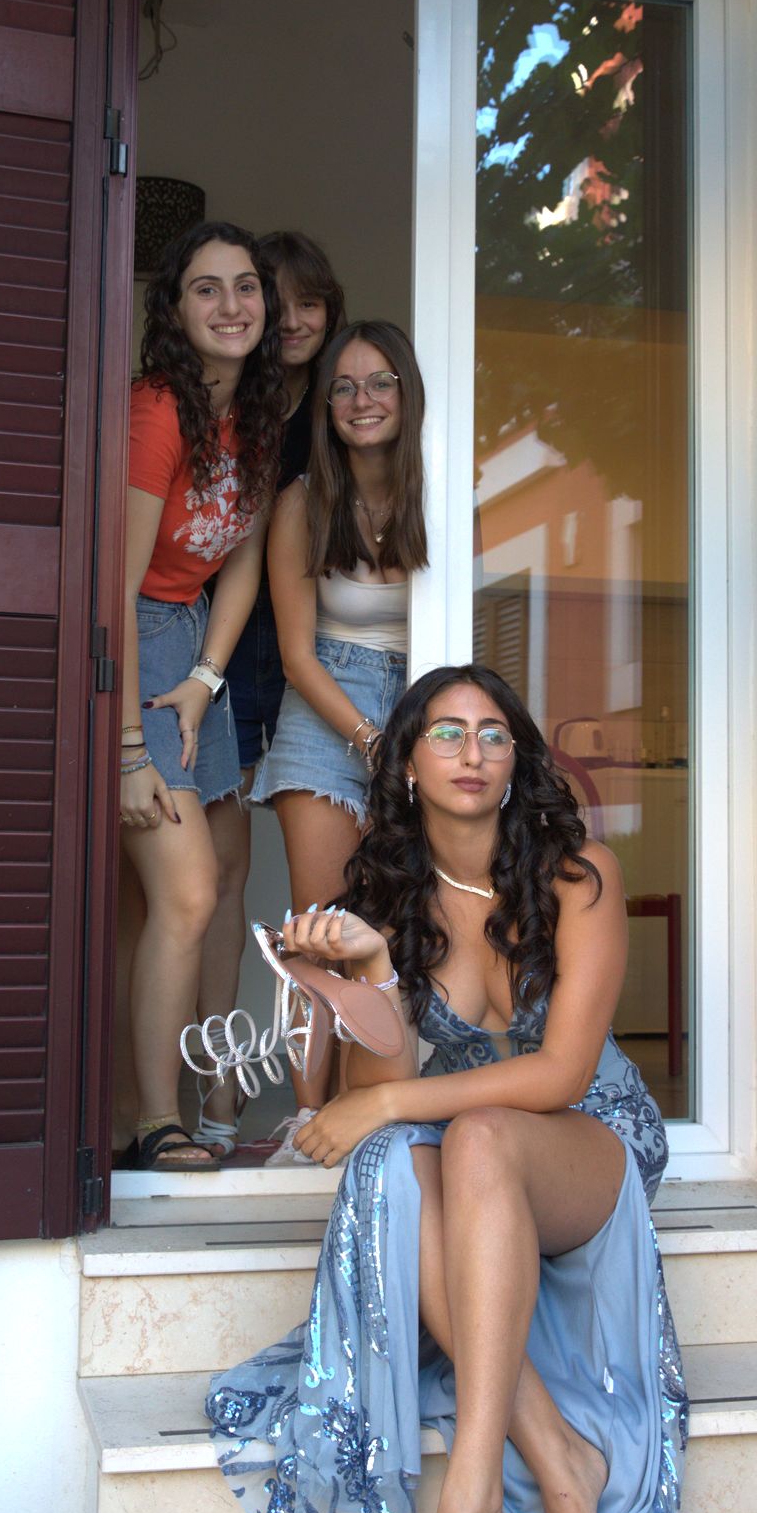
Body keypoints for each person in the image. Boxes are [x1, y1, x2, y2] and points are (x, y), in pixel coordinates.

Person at [207, 666, 687, 1513]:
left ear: (516, 763)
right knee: (398, 1162)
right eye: (448, 734)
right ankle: (558, 1458)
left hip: (590, 1136)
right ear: (407, 764)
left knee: (470, 1136)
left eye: (493, 735)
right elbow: (371, 1090)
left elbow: (562, 1075)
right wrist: (372, 972)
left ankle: (471, 1491)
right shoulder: (385, 903)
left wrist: (391, 1107)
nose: (473, 753)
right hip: (474, 1140)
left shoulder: (581, 878)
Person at [116, 220, 283, 1172]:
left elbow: (244, 561)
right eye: (207, 288)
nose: (231, 305)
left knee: (200, 886)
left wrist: (206, 677)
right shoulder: (158, 411)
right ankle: (155, 1120)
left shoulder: (255, 417)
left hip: (192, 644)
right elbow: (114, 586)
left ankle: (137, 1106)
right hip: (133, 634)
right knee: (182, 891)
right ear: (175, 310)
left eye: (246, 286)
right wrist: (125, 749)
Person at [245, 319, 427, 1165]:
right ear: (325, 406)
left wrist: (415, 738)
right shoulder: (301, 503)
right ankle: (308, 1119)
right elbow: (295, 654)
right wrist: (368, 740)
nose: (362, 400)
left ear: (407, 394)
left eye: (380, 382)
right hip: (326, 711)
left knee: (393, 926)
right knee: (317, 934)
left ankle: (372, 1108)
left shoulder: (439, 491)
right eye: (344, 387)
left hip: (419, 706)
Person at [190, 231, 347, 1159]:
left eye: (307, 302)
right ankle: (214, 1097)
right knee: (216, 883)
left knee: (319, 899)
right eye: (272, 299)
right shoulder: (227, 409)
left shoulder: (342, 411)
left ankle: (330, 1099)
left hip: (309, 665)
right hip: (219, 655)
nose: (288, 319)